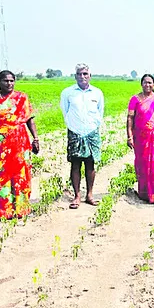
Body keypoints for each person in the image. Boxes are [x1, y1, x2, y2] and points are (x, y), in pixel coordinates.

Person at [0, 70, 40, 219]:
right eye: (6, 81)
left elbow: (29, 120)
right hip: (0, 144)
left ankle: (21, 207)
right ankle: (3, 209)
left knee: (21, 173)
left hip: (20, 142)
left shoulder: (22, 98)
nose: (9, 83)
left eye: (12, 81)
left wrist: (36, 138)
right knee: (1, 174)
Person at [60, 63, 105, 209]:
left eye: (85, 74)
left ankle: (90, 195)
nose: (82, 77)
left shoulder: (97, 93)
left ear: (90, 76)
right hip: (75, 132)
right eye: (79, 74)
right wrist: (75, 127)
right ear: (75, 76)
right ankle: (77, 196)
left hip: (92, 133)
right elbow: (65, 112)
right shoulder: (68, 92)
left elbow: (100, 112)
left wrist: (92, 126)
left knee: (90, 164)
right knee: (75, 164)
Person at [126, 74, 154, 203]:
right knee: (143, 164)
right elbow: (130, 119)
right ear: (141, 84)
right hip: (141, 139)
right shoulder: (135, 99)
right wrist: (129, 136)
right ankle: (145, 194)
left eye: (150, 83)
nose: (147, 85)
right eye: (145, 82)